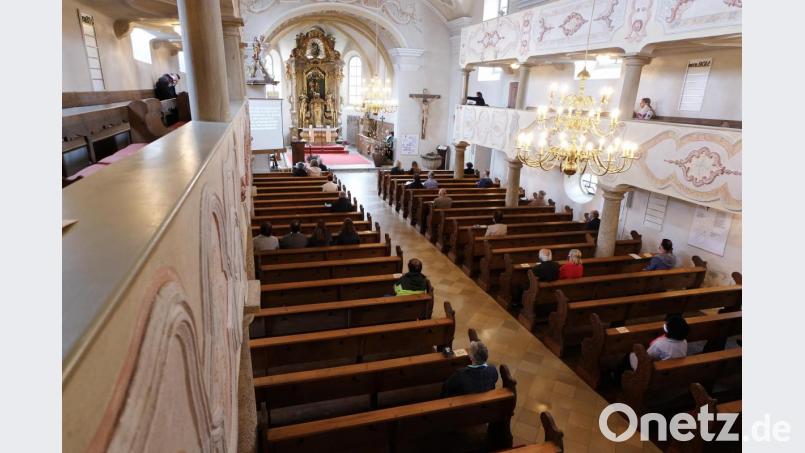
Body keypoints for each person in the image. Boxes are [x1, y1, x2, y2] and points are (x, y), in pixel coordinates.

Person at [622, 315, 689, 376]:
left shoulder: (660, 343)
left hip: (656, 370)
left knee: (629, 356)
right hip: (672, 369)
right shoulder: (684, 341)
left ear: (667, 329)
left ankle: (618, 378)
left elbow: (647, 356)